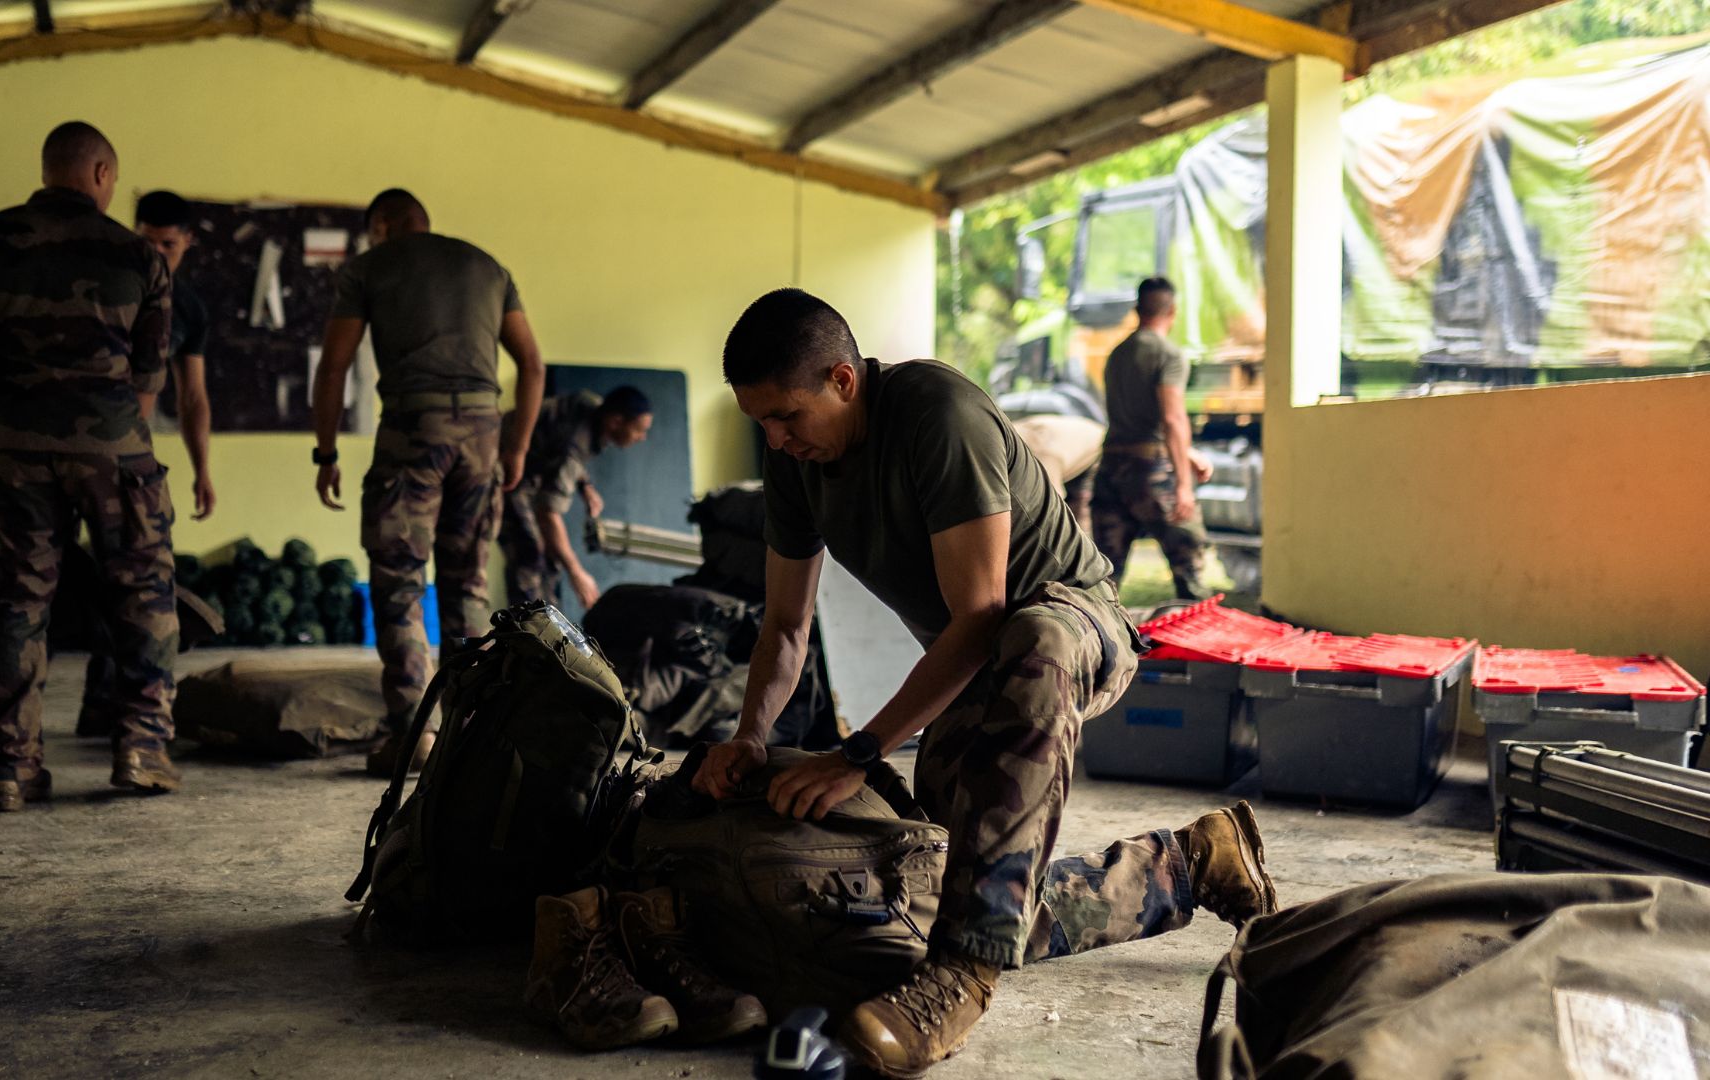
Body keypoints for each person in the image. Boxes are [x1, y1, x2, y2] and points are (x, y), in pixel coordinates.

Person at [692, 289, 1277, 1078]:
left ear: (843, 379)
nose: (776, 438)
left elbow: (982, 616)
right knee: (952, 895)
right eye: (760, 420)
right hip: (976, 669)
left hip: (1074, 631)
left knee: (1032, 639)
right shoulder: (796, 463)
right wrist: (750, 737)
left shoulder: (936, 414)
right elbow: (785, 628)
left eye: (787, 416)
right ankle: (1194, 861)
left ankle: (965, 977)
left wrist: (859, 752)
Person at [0, 121, 182, 811]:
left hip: (13, 453)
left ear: (48, 171)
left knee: (16, 606)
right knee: (144, 596)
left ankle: (11, 766)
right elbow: (149, 383)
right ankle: (141, 749)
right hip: (117, 453)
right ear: (100, 173)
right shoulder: (138, 255)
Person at [309, 188, 543, 777]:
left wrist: (327, 450)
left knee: (400, 582)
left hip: (414, 430)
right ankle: (467, 733)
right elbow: (533, 366)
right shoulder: (487, 266)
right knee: (468, 585)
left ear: (381, 226)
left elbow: (334, 363)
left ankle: (414, 734)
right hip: (483, 436)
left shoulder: (369, 267)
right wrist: (514, 448)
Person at [76, 189, 216, 739]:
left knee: (134, 582)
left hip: (132, 460)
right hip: (73, 447)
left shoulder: (190, 306)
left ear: (188, 243)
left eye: (168, 245)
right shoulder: (105, 281)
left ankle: (118, 712)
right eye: (147, 241)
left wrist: (202, 468)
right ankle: (111, 719)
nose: (156, 254)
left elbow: (195, 396)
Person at [1089, 277, 1210, 600]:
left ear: (1137, 309)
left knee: (1104, 573)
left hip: (1110, 468)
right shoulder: (1168, 355)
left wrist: (1190, 453)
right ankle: (1193, 640)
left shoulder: (1118, 354)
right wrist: (1184, 485)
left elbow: (1135, 418)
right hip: (1149, 472)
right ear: (1173, 311)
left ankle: (1099, 641)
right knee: (1189, 551)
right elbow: (1171, 418)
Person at [496, 385, 653, 610]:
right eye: (638, 429)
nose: (642, 437)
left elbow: (559, 441)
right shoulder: (575, 445)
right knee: (529, 554)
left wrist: (585, 486)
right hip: (498, 467)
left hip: (524, 470)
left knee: (550, 557)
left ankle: (546, 625)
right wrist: (576, 572)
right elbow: (548, 514)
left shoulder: (593, 409)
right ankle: (526, 633)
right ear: (616, 421)